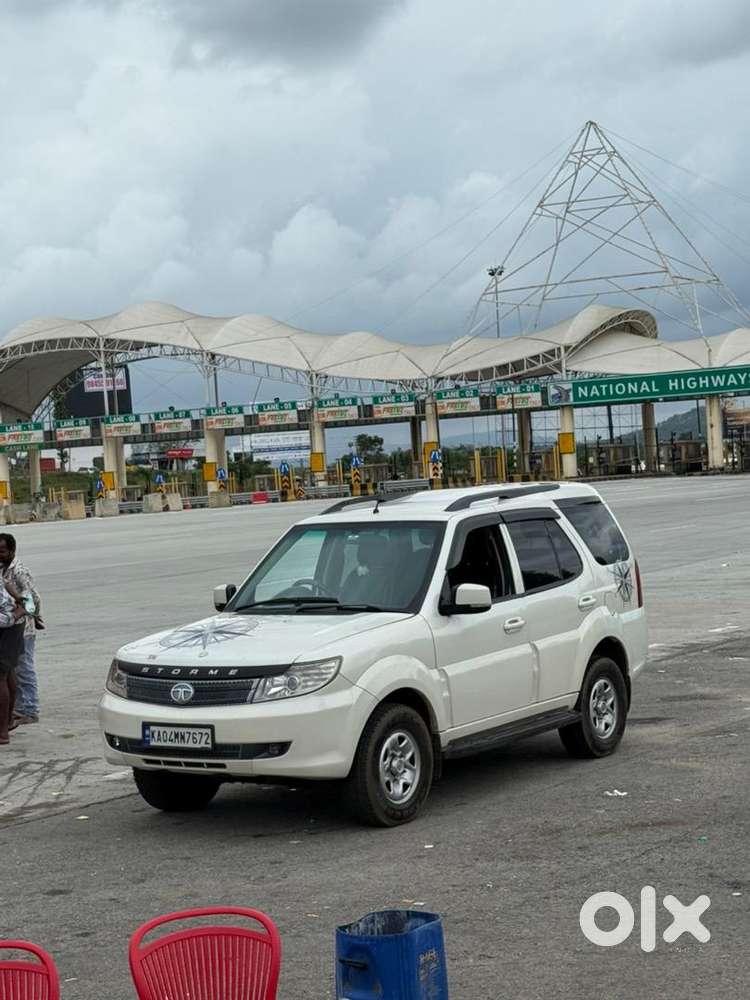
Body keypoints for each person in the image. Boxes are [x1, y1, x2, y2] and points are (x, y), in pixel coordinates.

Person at [0, 533, 42, 725]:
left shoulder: (19, 571)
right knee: (13, 670)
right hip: (10, 628)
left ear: (12, 551)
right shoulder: (3, 569)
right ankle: (19, 708)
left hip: (22, 628)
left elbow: (33, 598)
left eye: (2, 551)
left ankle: (30, 710)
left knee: (24, 668)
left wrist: (30, 614)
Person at [0, 576, 26, 744]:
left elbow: (2, 620)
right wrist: (20, 603)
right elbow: (5, 582)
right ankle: (7, 722)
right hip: (13, 624)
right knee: (8, 672)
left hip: (7, 626)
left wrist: (18, 612)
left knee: (0, 675)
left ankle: (2, 732)